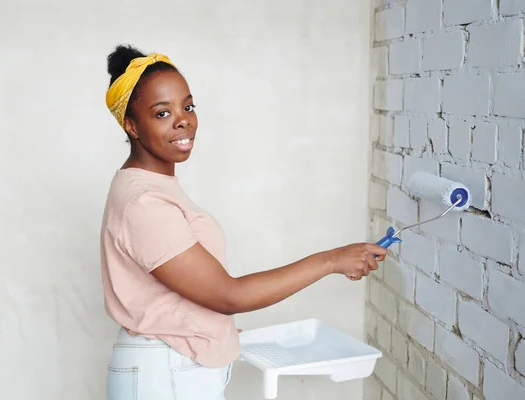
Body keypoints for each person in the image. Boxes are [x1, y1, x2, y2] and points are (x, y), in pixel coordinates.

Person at [99, 44, 387, 400]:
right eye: (162, 113)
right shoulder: (144, 202)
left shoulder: (151, 186)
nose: (183, 119)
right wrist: (331, 260)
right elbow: (227, 295)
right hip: (167, 373)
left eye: (187, 106)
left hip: (174, 367)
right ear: (132, 125)